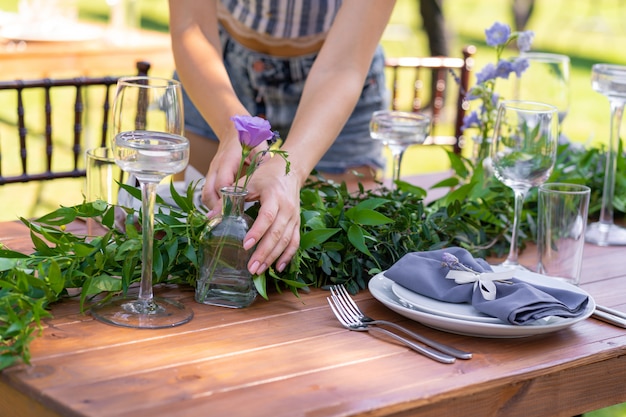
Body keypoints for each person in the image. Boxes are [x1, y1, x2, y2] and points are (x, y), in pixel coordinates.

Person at [167, 1, 396, 277]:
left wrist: (292, 169)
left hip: (337, 79)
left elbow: (342, 65)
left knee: (338, 253)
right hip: (219, 71)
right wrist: (233, 128)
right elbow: (191, 28)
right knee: (200, 242)